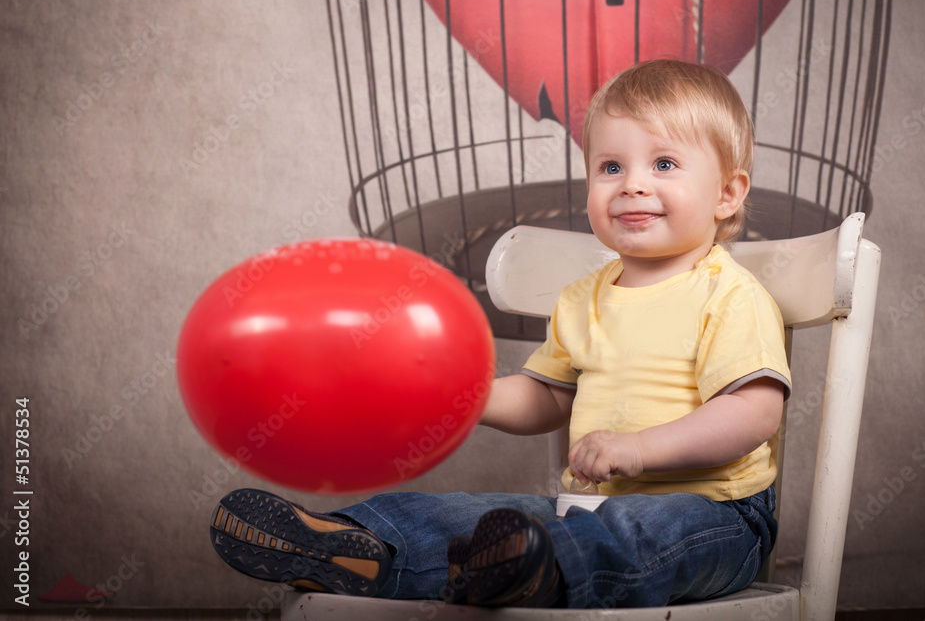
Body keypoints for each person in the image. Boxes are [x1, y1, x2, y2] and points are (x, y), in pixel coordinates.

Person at [209, 59, 792, 609]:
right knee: (472, 517)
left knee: (641, 534)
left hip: (715, 517)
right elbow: (548, 397)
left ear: (727, 194)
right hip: (582, 506)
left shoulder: (730, 295)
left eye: (663, 164)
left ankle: (538, 570)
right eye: (611, 167)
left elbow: (753, 413)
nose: (632, 185)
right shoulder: (582, 298)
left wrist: (639, 448)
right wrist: (472, 395)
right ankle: (360, 544)